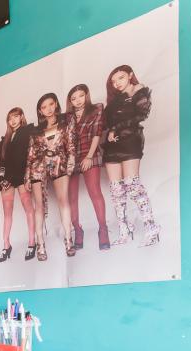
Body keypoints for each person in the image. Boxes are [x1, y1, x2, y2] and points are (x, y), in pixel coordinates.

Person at [102, 65, 158, 246]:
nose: (117, 83)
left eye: (121, 77)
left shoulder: (140, 92)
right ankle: (124, 230)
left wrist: (115, 128)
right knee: (116, 190)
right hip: (112, 146)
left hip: (130, 140)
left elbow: (142, 115)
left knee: (132, 185)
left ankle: (151, 228)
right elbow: (106, 122)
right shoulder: (115, 100)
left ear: (130, 75)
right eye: (113, 81)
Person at [26, 93, 77, 260]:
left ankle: (68, 239)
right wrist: (27, 176)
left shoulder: (65, 122)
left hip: (59, 163)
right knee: (39, 206)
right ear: (40, 111)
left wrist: (71, 161)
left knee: (63, 201)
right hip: (38, 166)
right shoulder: (35, 130)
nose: (48, 109)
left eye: (50, 104)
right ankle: (40, 244)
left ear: (56, 104)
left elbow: (71, 144)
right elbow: (31, 154)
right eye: (43, 107)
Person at [66, 84, 109, 250]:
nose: (78, 100)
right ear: (70, 101)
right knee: (71, 197)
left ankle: (103, 230)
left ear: (86, 95)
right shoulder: (67, 117)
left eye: (81, 96)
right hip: (71, 158)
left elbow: (97, 133)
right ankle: (78, 230)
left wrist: (89, 157)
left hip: (90, 154)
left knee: (95, 192)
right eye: (73, 98)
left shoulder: (96, 109)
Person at [0, 107, 37, 262]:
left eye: (15, 117)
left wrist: (28, 175)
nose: (12, 120)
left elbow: (32, 156)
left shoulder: (28, 132)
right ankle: (6, 246)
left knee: (29, 209)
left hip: (23, 176)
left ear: (21, 117)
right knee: (7, 214)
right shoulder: (4, 140)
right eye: (9, 118)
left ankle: (32, 243)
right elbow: (2, 162)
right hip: (7, 179)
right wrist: (1, 179)